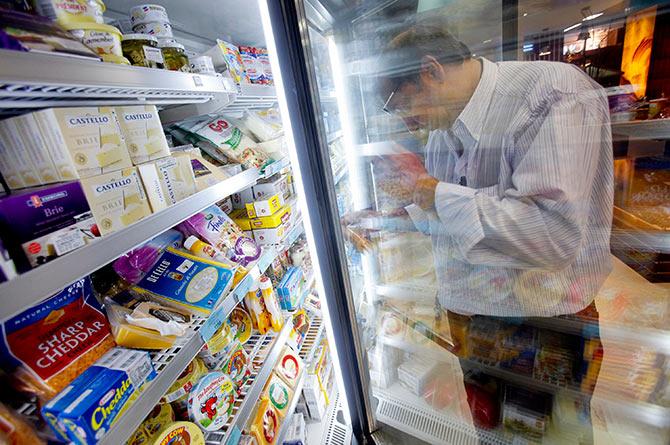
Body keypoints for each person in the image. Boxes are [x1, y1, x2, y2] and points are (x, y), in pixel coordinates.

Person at [366, 15, 613, 436]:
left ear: (431, 71)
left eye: (401, 105)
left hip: (544, 319)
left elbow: (553, 234)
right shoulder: (445, 129)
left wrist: (435, 193)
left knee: (554, 435)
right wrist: (393, 219)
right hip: (474, 316)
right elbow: (451, 216)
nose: (406, 120)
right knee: (492, 429)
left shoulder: (553, 94)